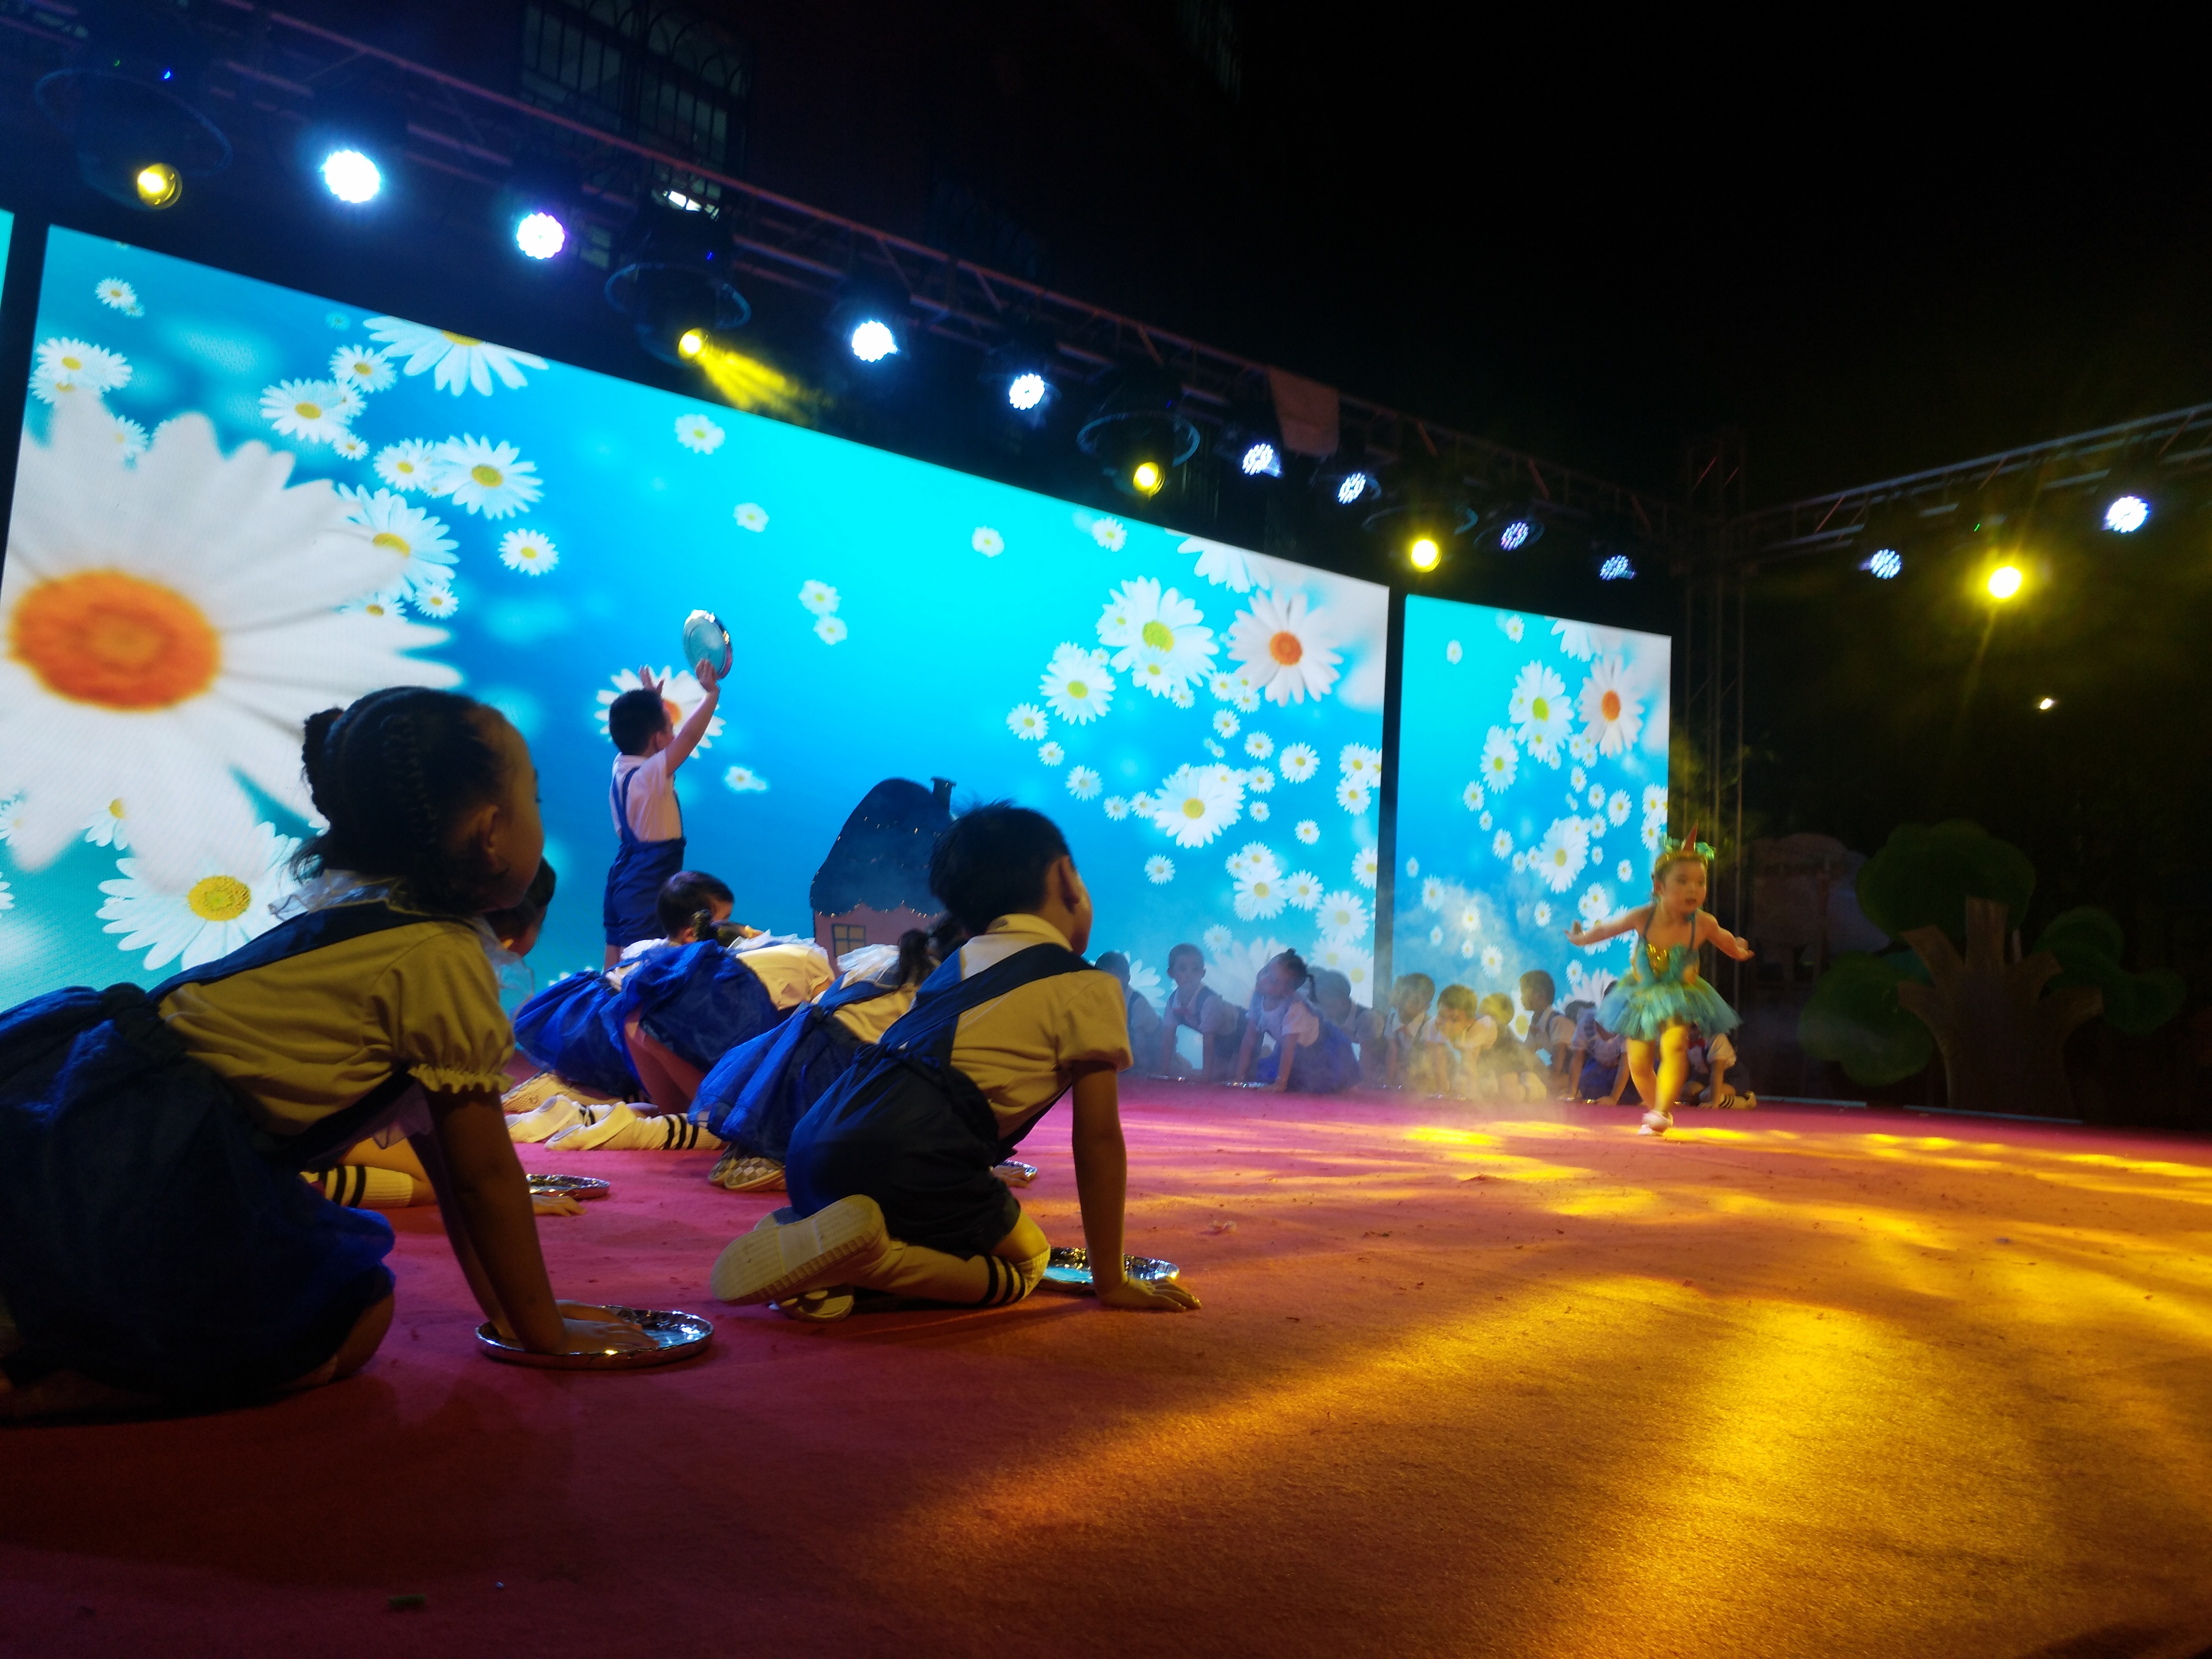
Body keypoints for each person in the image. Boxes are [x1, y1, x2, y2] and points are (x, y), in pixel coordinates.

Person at [0, 688, 652, 1420]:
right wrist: (546, 1334)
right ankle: (60, 1379)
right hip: (143, 1161)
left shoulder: (365, 916)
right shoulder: (440, 956)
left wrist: (517, 1318)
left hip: (78, 1117)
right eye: (532, 796)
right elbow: (481, 1178)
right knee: (348, 1320)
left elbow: (452, 1169)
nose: (538, 812)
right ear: (491, 832)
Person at [712, 804, 1200, 1322]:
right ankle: (870, 1262)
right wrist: (1111, 1280)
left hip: (814, 1145)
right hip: (910, 1157)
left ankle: (811, 1238)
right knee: (1027, 1262)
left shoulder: (954, 965)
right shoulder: (1090, 985)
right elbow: (1097, 1138)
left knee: (915, 1211)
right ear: (1066, 878)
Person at [696, 926, 949, 1192]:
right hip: (837, 1064)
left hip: (794, 1046)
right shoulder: (941, 977)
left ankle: (749, 1149)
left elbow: (825, 1000)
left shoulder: (886, 958)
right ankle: (790, 1161)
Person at [1567, 828, 1754, 1136]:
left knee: (1675, 1044)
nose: (1693, 889)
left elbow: (1726, 941)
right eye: (1683, 881)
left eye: (1700, 882)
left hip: (1680, 995)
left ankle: (1662, 1110)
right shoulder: (1644, 917)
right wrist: (1581, 938)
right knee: (1639, 1061)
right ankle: (1659, 1109)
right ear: (1659, 886)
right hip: (1641, 994)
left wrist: (1739, 949)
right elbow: (1607, 929)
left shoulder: (1703, 923)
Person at [602, 660, 722, 968]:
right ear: (657, 739)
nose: (675, 734)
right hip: (647, 885)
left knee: (614, 962)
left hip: (622, 878)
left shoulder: (622, 766)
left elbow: (646, 734)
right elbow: (690, 738)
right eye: (670, 729)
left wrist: (652, 699)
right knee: (639, 967)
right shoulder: (650, 775)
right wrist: (711, 695)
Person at [1230, 950, 1359, 1094]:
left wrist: (1280, 1084)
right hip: (1294, 1050)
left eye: (1273, 981)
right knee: (1262, 1072)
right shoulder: (1259, 996)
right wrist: (1240, 1077)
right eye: (1266, 970)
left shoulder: (1294, 1008)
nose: (1263, 979)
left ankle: (1349, 1086)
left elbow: (1289, 1050)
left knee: (1325, 1083)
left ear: (1287, 992)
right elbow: (1250, 1038)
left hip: (1324, 1049)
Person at [1157, 943, 1245, 1080]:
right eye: (1182, 969)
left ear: (1203, 973)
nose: (1189, 975)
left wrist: (1206, 1076)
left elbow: (1209, 1043)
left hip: (1241, 1029)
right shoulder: (1173, 1001)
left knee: (1233, 1075)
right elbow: (1168, 1038)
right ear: (1171, 973)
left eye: (1195, 969)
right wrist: (1164, 1072)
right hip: (1221, 1038)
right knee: (1221, 1073)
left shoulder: (1209, 1001)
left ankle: (1261, 1054)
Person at [1311, 969, 1388, 1087]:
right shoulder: (1330, 1017)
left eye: (1326, 1005)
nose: (1322, 1010)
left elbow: (1367, 1058)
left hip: (1384, 1071)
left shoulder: (1367, 1018)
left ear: (1342, 1002)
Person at [1094, 952, 1163, 1078]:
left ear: (1127, 978)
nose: (1108, 983)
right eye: (1103, 978)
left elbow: (1142, 1042)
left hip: (1151, 1055)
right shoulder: (1097, 1000)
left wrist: (1141, 1070)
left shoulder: (1136, 1002)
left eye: (1114, 977)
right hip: (1123, 1055)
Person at [1477, 992, 1549, 1102]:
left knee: (1510, 1094)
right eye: (1481, 1013)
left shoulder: (1505, 1038)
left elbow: (1511, 1065)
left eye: (1491, 1015)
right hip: (1510, 1071)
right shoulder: (1481, 1033)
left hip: (1525, 1072)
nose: (1481, 1018)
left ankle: (1532, 1088)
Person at [1519, 970, 1578, 1097]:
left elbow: (1559, 1060)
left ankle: (1578, 1093)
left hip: (1579, 1074)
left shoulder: (1557, 1021)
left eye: (1525, 992)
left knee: (1546, 1086)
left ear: (1541, 996)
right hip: (1562, 1072)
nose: (1521, 998)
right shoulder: (1536, 1022)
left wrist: (1549, 1081)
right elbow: (1525, 1054)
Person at [1431, 984, 1496, 1099]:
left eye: (1454, 1020)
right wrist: (1442, 1090)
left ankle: (1529, 1083)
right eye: (1441, 1016)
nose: (1446, 1025)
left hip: (1501, 1046)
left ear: (1469, 1022)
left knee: (1511, 1093)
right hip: (1480, 1053)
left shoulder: (1480, 1026)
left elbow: (1469, 1061)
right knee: (1459, 1084)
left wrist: (1471, 1094)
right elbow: (1438, 1056)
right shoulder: (1438, 1024)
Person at [1382, 974, 1445, 1093]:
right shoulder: (1392, 1019)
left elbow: (1433, 1059)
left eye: (1416, 1001)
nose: (1407, 1004)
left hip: (1427, 1072)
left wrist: (1440, 1089)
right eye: (1405, 995)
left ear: (1427, 1007)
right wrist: (1388, 1082)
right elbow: (1392, 1051)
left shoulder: (1429, 1024)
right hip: (1405, 1069)